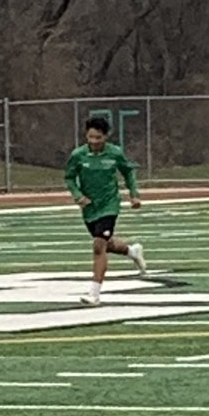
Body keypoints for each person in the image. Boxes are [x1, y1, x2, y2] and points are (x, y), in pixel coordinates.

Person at [64, 114, 147, 305]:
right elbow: (69, 177)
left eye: (98, 138)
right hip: (89, 208)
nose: (94, 141)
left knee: (98, 246)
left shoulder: (115, 153)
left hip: (109, 205)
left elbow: (128, 172)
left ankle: (94, 293)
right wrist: (78, 195)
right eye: (90, 137)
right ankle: (132, 251)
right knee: (105, 243)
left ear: (106, 137)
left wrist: (134, 194)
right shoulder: (78, 155)